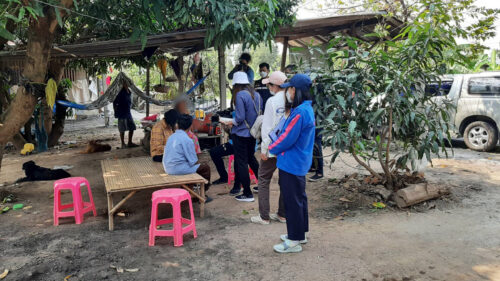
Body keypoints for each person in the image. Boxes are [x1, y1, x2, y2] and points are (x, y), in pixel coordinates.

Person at [269, 74, 315, 253]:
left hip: (291, 163)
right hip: (299, 162)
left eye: (289, 89)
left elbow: (287, 138)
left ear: (295, 90)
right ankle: (300, 233)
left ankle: (294, 239)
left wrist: (270, 148)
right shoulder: (306, 109)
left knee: (292, 201)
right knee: (299, 199)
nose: (287, 92)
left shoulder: (300, 112)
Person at [250, 71, 288, 225]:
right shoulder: (292, 99)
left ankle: (264, 216)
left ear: (274, 86)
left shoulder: (272, 102)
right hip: (287, 147)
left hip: (272, 146)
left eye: (269, 85)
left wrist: (264, 150)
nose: (269, 88)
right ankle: (283, 214)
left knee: (264, 179)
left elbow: (267, 129)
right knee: (285, 180)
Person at [225, 72, 262, 202]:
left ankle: (247, 193)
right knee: (251, 159)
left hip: (240, 133)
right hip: (253, 133)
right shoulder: (256, 94)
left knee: (241, 163)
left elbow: (239, 118)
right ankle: (262, 186)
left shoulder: (240, 95)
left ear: (236, 84)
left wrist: (230, 122)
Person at [163, 114, 212, 201]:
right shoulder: (187, 139)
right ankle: (201, 194)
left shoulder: (171, 137)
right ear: (190, 126)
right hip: (177, 169)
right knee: (205, 168)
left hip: (167, 167)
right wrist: (199, 164)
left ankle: (189, 190)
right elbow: (193, 161)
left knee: (193, 167)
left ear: (177, 125)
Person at [113, 81, 138, 148]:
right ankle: (123, 144)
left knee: (132, 127)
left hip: (128, 112)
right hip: (121, 113)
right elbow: (114, 102)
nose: (127, 84)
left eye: (127, 83)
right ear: (123, 84)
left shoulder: (129, 91)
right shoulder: (120, 92)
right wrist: (115, 111)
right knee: (122, 129)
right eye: (125, 83)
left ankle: (130, 142)